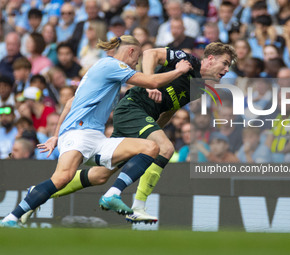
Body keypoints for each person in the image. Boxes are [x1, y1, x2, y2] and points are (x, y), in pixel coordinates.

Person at [0, 35, 192, 228]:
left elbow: (69, 103)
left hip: (96, 138)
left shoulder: (103, 72)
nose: (137, 62)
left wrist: (55, 136)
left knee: (150, 147)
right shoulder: (111, 65)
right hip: (78, 132)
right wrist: (179, 70)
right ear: (131, 51)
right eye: (138, 56)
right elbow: (151, 81)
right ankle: (12, 218)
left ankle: (113, 193)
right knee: (62, 178)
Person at [43, 42, 237, 224]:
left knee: (99, 176)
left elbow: (169, 110)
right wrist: (150, 83)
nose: (227, 70)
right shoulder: (186, 60)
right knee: (166, 148)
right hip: (133, 108)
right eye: (225, 63)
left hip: (141, 119)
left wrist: (155, 130)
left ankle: (39, 193)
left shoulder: (200, 88)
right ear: (210, 58)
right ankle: (134, 205)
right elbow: (150, 53)